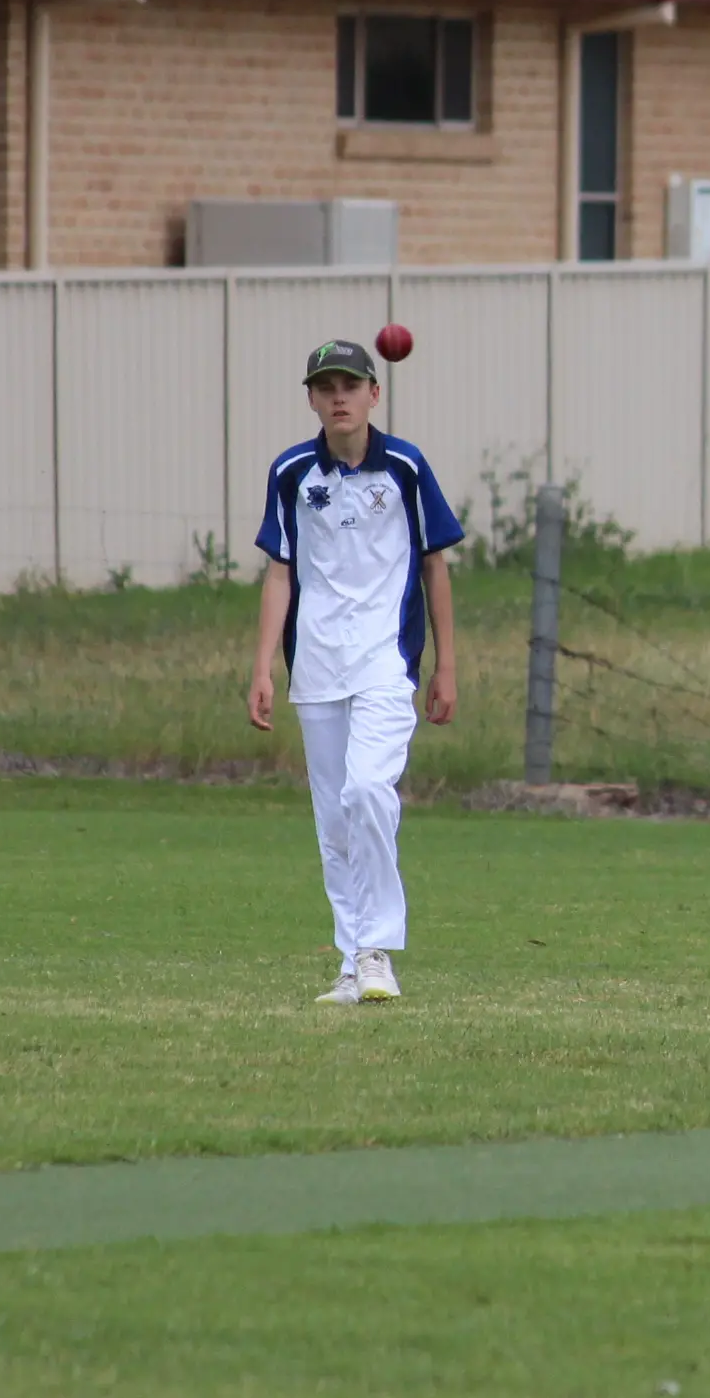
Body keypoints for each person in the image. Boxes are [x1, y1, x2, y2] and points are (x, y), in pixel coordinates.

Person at [246, 339, 462, 1006]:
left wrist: (447, 666)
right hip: (314, 664)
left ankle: (378, 950)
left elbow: (434, 564)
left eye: (350, 385)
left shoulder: (404, 466)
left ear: (374, 393)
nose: (338, 397)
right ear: (311, 397)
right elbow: (280, 572)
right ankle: (350, 961)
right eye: (325, 386)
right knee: (334, 822)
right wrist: (261, 667)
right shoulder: (290, 473)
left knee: (368, 792)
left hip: (385, 660)